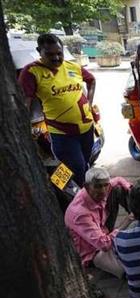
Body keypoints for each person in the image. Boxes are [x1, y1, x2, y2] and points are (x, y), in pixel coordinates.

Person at [18, 33, 97, 186]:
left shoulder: (73, 67)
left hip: (87, 129)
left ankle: (76, 198)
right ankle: (76, 204)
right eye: (49, 54)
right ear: (39, 51)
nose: (56, 58)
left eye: (59, 53)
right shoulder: (31, 72)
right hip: (62, 134)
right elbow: (24, 104)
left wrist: (89, 102)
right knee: (76, 171)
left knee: (85, 165)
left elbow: (91, 80)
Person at [64, 168, 133, 278]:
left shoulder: (104, 188)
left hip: (103, 229)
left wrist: (130, 188)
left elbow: (118, 180)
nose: (103, 191)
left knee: (119, 189)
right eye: (97, 187)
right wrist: (126, 221)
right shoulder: (80, 213)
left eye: (105, 185)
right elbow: (103, 245)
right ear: (86, 186)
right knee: (129, 270)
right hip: (93, 250)